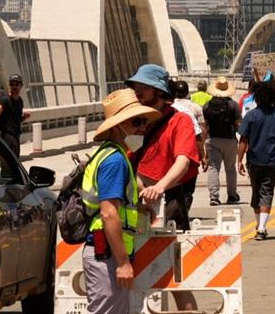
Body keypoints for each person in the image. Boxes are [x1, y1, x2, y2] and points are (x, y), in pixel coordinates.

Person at [82, 89, 159, 314]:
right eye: (136, 122)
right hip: (106, 254)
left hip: (106, 252)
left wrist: (138, 207)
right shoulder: (115, 161)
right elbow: (108, 213)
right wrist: (123, 262)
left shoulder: (111, 154)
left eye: (144, 121)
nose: (142, 127)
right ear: (118, 126)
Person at [127, 64, 200, 231]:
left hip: (169, 195)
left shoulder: (179, 120)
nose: (138, 92)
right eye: (136, 87)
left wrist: (160, 187)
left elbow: (183, 161)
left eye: (144, 87)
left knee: (173, 250)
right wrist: (140, 187)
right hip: (135, 194)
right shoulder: (131, 120)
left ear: (159, 91)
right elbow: (126, 158)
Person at [237, 80, 275, 240]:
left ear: (257, 98)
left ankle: (259, 225)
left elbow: (243, 140)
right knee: (267, 192)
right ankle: (261, 227)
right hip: (272, 160)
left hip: (254, 160)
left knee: (256, 192)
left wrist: (239, 159)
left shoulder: (251, 116)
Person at [203, 76, 242, 206]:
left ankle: (214, 196)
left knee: (214, 168)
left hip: (213, 139)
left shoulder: (207, 105)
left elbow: (206, 125)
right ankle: (232, 195)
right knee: (230, 168)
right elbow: (238, 124)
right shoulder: (233, 105)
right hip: (229, 140)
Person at [171, 81, 208, 210]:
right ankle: (183, 214)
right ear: (187, 93)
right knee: (188, 189)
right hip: (189, 153)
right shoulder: (194, 108)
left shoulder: (169, 108)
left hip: (171, 155)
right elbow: (200, 133)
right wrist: (203, 155)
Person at [0, 73, 31, 158]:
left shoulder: (19, 101)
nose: (14, 86)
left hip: (15, 136)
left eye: (16, 84)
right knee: (11, 164)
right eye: (12, 84)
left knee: (12, 164)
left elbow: (16, 121)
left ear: (21, 86)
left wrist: (25, 117)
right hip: (7, 137)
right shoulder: (5, 100)